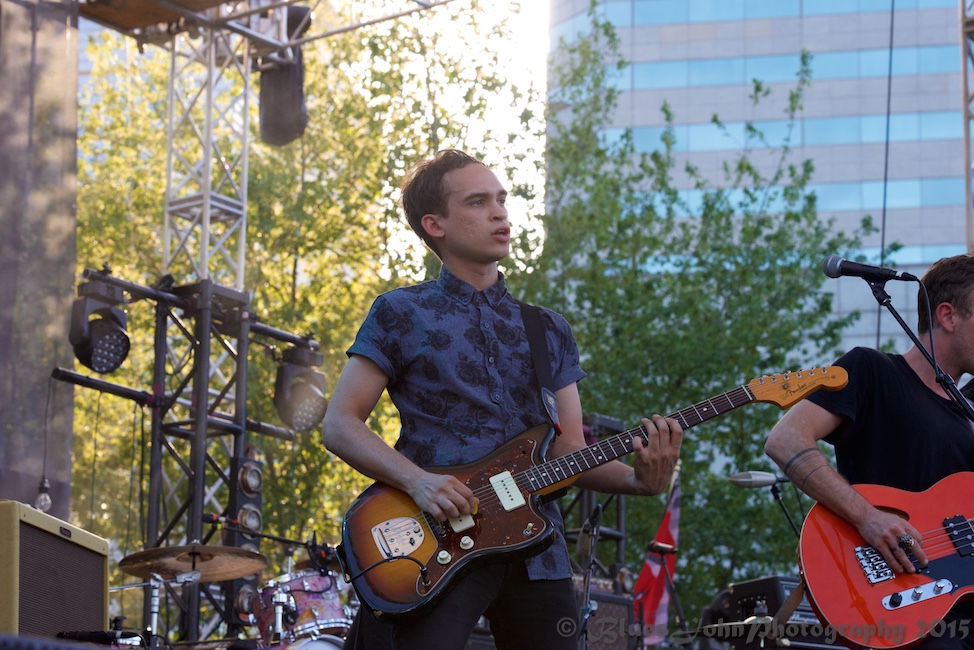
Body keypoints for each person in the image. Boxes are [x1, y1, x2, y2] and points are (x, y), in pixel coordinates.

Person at [321, 149, 683, 649]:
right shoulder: (399, 312)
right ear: (436, 224)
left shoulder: (548, 329)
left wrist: (642, 481)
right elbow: (340, 425)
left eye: (501, 199)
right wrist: (420, 483)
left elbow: (569, 454)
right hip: (434, 542)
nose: (499, 213)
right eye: (477, 202)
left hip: (538, 550)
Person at [764, 253, 974, 650]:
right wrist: (868, 518)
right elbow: (786, 439)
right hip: (902, 600)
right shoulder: (873, 371)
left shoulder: (967, 409)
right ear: (947, 316)